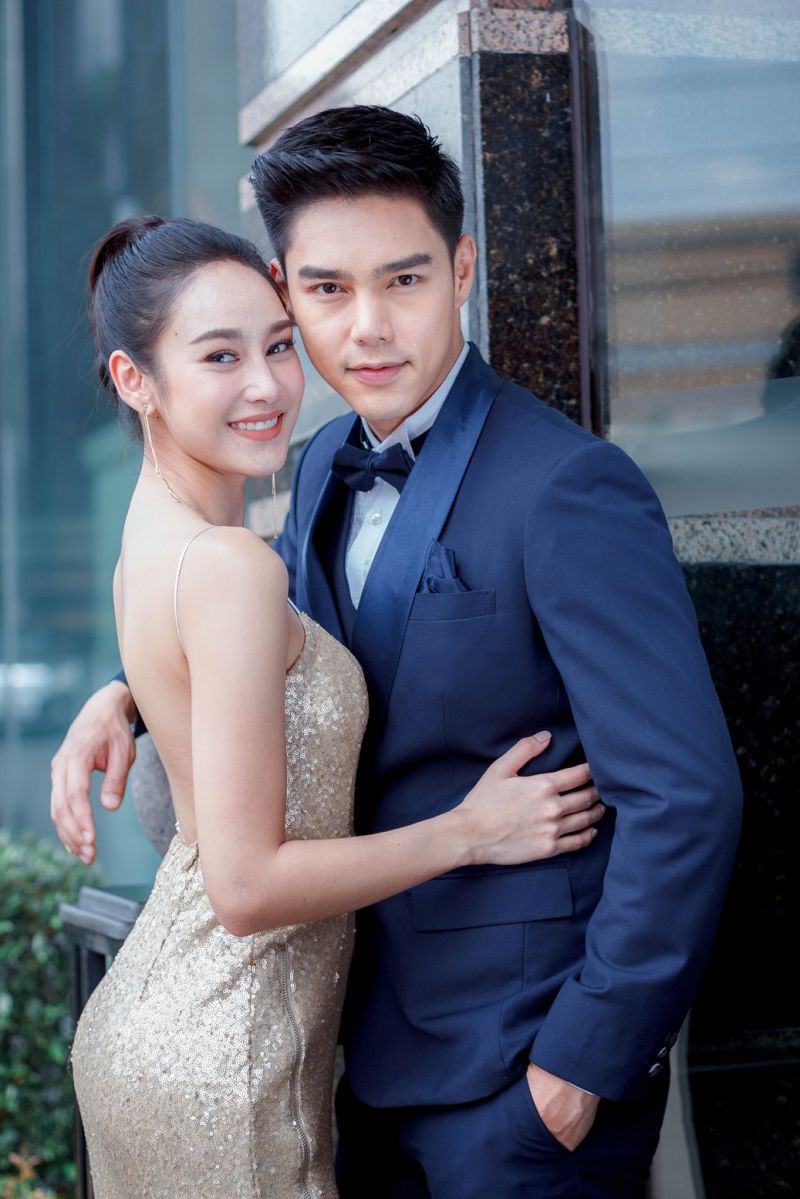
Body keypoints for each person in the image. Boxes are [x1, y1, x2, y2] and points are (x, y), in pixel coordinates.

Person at [51, 106, 742, 1197]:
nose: (367, 327)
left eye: (404, 280)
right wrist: (126, 693)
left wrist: (581, 1062)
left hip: (519, 1079)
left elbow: (684, 794)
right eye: (326, 290)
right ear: (287, 290)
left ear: (461, 269)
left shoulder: (567, 486)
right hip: (350, 1068)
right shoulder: (322, 459)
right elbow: (274, 639)